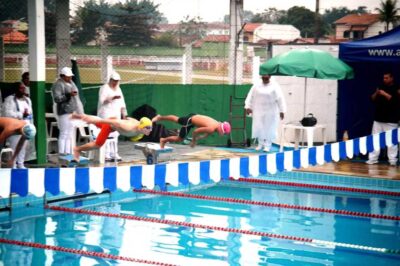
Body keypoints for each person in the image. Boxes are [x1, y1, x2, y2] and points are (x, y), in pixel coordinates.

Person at [71, 114, 152, 162]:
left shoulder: (139, 127)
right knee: (98, 144)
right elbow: (114, 122)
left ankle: (79, 116)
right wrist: (97, 121)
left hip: (113, 126)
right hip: (110, 125)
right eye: (148, 128)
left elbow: (130, 118)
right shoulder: (128, 127)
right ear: (141, 127)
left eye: (150, 127)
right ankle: (77, 149)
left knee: (96, 122)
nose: (150, 130)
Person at [244, 74, 287, 152]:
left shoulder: (275, 86)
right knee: (259, 126)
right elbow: (250, 96)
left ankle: (267, 145)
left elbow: (280, 99)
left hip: (271, 111)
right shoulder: (256, 85)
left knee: (269, 128)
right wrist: (248, 106)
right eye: (263, 77)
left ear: (270, 77)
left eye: (266, 77)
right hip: (258, 110)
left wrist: (282, 110)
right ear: (261, 77)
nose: (265, 78)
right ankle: (260, 144)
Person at [366, 72, 400, 166]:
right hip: (378, 118)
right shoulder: (380, 86)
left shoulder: (397, 88)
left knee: (391, 141)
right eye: (384, 78)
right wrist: (376, 93)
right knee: (375, 139)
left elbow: (396, 101)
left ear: (392, 78)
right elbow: (372, 99)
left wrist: (385, 94)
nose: (384, 79)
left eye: (387, 78)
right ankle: (372, 159)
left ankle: (392, 160)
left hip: (391, 120)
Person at [51, 67, 84, 155]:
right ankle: (62, 153)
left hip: (71, 111)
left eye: (70, 76)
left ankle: (68, 153)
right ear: (62, 76)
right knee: (64, 133)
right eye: (68, 76)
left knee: (69, 133)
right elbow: (57, 99)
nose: (70, 78)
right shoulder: (58, 84)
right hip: (64, 112)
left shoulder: (71, 83)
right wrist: (68, 95)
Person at [2, 82, 34, 168]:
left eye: (24, 88)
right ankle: (13, 164)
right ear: (16, 89)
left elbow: (30, 113)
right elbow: (7, 113)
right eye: (21, 88)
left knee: (23, 146)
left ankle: (20, 163)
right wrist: (20, 115)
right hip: (14, 127)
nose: (23, 90)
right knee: (14, 146)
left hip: (25, 127)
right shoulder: (9, 100)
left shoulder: (27, 100)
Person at [151, 114, 231, 148]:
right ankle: (163, 140)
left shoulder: (216, 123)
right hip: (190, 121)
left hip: (193, 116)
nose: (221, 134)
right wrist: (193, 141)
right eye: (223, 132)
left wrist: (201, 137)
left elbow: (207, 132)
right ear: (221, 129)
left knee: (177, 119)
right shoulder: (212, 128)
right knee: (180, 139)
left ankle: (160, 117)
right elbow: (195, 131)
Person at [97, 71, 127, 162]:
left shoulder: (119, 89)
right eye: (114, 81)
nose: (115, 83)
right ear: (110, 80)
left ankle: (114, 153)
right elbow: (102, 101)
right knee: (106, 134)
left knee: (115, 134)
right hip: (105, 115)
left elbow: (122, 104)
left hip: (116, 115)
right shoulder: (104, 88)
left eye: (117, 81)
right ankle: (106, 154)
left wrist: (124, 115)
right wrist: (112, 98)